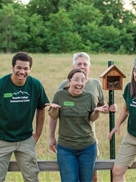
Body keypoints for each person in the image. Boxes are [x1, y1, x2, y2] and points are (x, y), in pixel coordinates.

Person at [48, 52, 117, 182]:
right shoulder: (62, 89)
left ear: (89, 66)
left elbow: (99, 109)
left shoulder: (95, 85)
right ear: (73, 66)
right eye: (79, 64)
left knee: (92, 177)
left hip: (89, 141)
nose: (82, 66)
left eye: (85, 64)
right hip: (67, 144)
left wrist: (110, 109)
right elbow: (54, 114)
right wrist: (51, 137)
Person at [0, 52, 49, 182]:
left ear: (30, 69)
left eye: (26, 68)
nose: (22, 71)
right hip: (2, 139)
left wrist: (37, 134)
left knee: (32, 178)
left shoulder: (35, 85)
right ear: (12, 68)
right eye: (19, 67)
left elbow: (41, 107)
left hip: (26, 140)